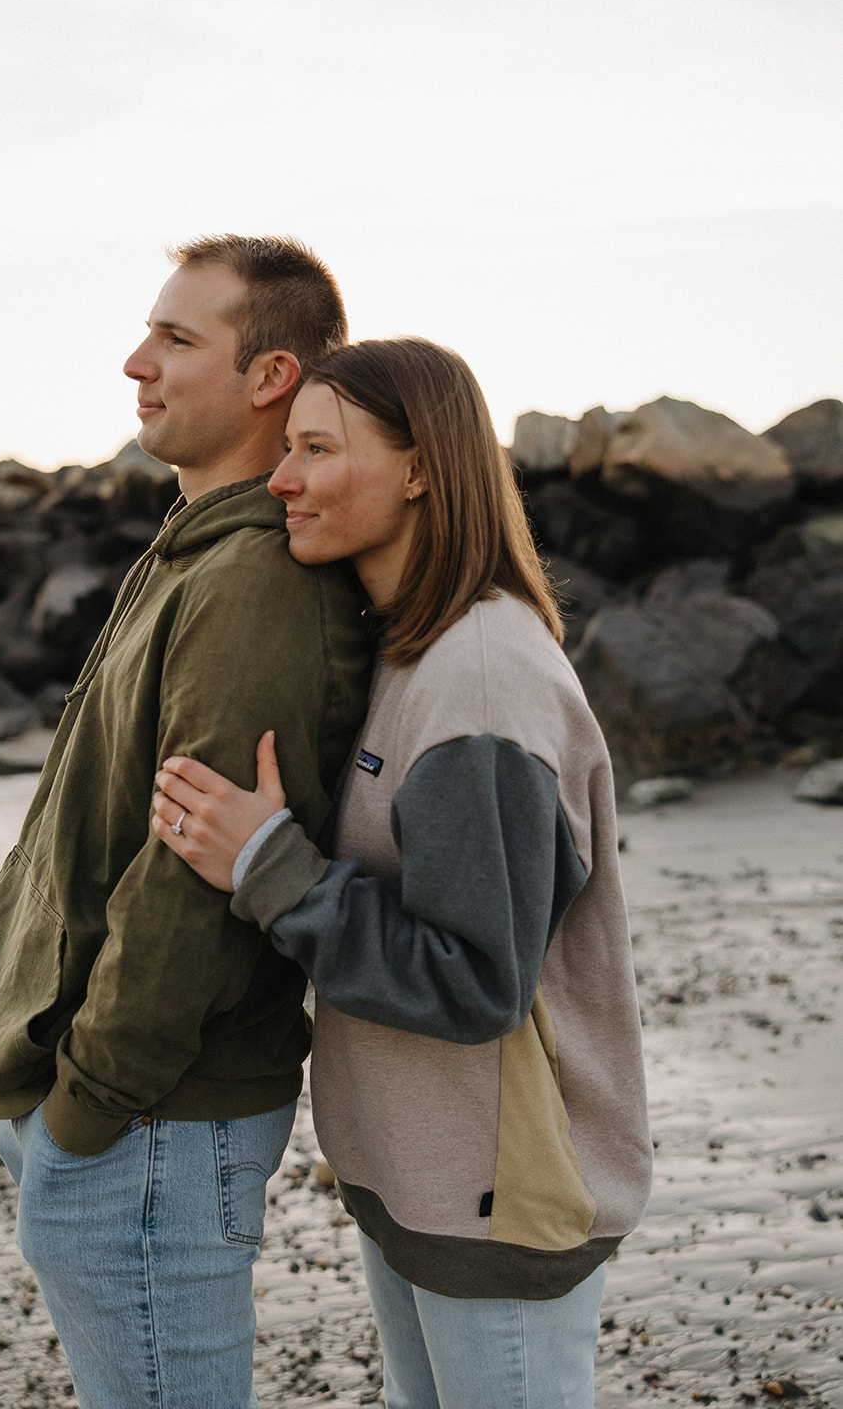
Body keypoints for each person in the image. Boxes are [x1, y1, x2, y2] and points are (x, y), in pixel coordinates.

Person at [151, 336, 653, 1409]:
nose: (279, 477)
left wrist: (265, 863)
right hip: (419, 1183)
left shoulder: (478, 684)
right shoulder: (405, 647)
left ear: (420, 467)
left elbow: (473, 978)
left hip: (501, 1199)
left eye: (316, 449)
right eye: (284, 448)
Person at [0, 235, 372, 1409]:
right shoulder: (190, 551)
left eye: (178, 339)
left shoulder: (252, 583)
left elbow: (193, 882)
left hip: (149, 1121)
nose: (139, 360)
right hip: (108, 1106)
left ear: (269, 375)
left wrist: (88, 1105)